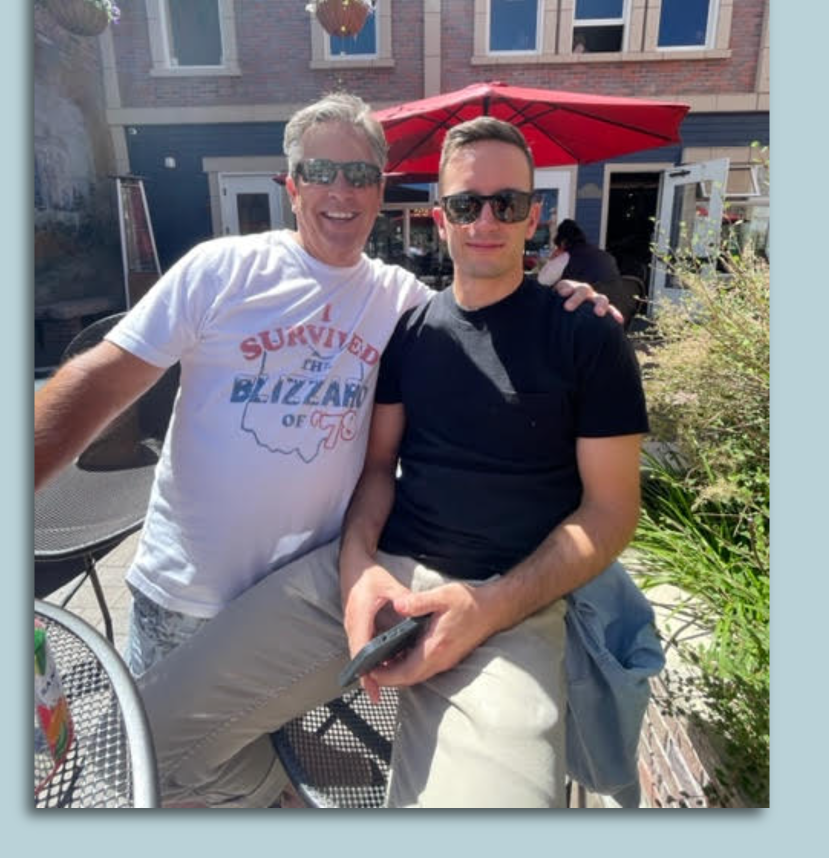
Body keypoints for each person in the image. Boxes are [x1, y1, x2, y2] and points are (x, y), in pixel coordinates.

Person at [137, 115, 649, 807]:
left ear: (534, 217)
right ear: (441, 218)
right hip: (379, 575)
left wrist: (490, 605)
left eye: (510, 203)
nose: (487, 219)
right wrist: (356, 569)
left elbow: (612, 511)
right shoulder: (409, 327)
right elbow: (379, 468)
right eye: (468, 204)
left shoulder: (587, 336)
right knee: (149, 739)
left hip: (511, 602)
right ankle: (283, 794)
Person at [32, 92, 617, 676]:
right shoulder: (220, 270)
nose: (341, 191)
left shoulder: (402, 301)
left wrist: (568, 300)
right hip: (190, 593)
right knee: (163, 756)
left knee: (276, 743)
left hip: (305, 595)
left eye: (360, 174)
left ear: (380, 190)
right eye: (319, 172)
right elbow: (99, 382)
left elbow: (481, 315)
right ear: (292, 187)